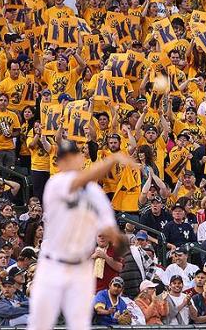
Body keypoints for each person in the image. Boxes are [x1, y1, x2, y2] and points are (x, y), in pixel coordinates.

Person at [26, 141, 134, 330]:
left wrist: (118, 239)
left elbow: (109, 228)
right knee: (39, 324)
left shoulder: (96, 193)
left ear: (81, 158)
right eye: (63, 158)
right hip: (52, 264)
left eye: (72, 156)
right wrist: (112, 160)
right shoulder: (55, 183)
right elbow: (78, 182)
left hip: (81, 268)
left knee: (79, 325)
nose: (68, 161)